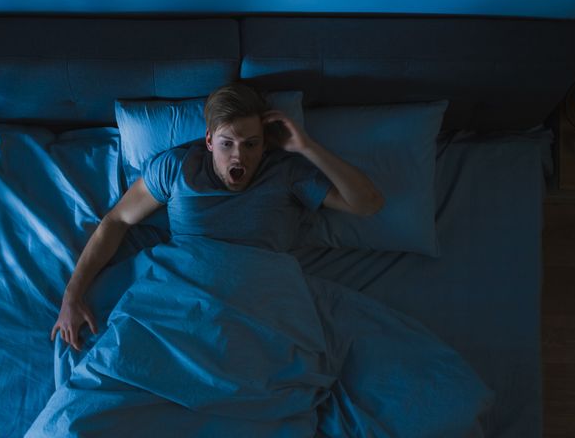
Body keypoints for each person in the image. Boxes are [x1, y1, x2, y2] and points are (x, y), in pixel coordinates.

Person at [50, 83, 384, 351]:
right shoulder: (177, 167)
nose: (239, 156)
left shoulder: (286, 173)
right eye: (228, 143)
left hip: (258, 306)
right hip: (184, 300)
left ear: (264, 145)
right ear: (209, 140)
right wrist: (72, 296)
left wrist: (306, 146)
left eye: (251, 144)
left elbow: (367, 204)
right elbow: (117, 220)